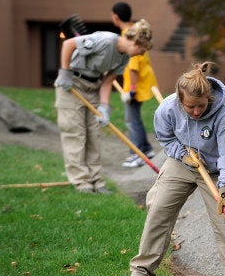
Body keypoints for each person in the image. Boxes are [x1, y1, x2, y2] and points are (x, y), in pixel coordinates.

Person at [122, 62, 225, 276]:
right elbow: (165, 138)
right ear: (179, 99)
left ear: (209, 99)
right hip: (182, 161)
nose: (196, 112)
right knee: (158, 210)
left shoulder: (224, 114)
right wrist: (181, 155)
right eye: (190, 107)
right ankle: (141, 273)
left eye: (201, 106)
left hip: (216, 170)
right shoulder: (166, 109)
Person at [54, 19, 154, 194]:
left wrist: (104, 107)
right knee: (75, 134)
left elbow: (107, 83)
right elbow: (69, 44)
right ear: (134, 42)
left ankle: (96, 180)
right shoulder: (106, 40)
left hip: (93, 87)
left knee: (93, 135)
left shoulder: (124, 58)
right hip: (71, 86)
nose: (140, 54)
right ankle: (81, 182)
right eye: (141, 50)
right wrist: (65, 73)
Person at [112, 2, 159, 167]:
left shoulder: (128, 36)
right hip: (144, 82)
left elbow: (133, 67)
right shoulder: (135, 30)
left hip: (136, 85)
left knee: (131, 120)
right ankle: (146, 149)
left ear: (115, 17)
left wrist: (131, 91)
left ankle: (137, 153)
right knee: (135, 118)